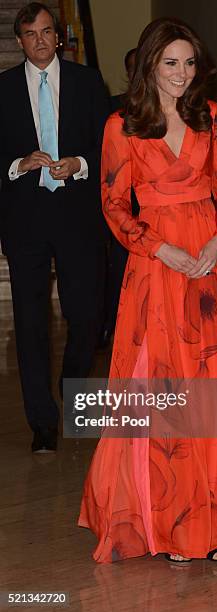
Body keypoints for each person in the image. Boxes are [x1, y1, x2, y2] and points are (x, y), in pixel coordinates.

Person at [79, 17, 217, 564]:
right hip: (155, 267)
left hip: (208, 268)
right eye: (170, 63)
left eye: (188, 63)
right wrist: (161, 249)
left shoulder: (214, 119)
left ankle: (206, 522)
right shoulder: (123, 126)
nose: (182, 74)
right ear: (150, 66)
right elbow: (113, 204)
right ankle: (170, 524)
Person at [0, 2, 110, 452]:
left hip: (78, 215)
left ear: (59, 36)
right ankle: (42, 421)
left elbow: (109, 147)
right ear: (20, 40)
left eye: (46, 31)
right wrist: (17, 165)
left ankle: (72, 387)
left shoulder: (87, 82)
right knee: (29, 323)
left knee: (86, 316)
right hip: (24, 218)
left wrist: (81, 164)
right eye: (30, 33)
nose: (40, 40)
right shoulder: (3, 88)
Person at [98, 48, 139, 350]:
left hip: (157, 204)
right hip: (123, 202)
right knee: (119, 265)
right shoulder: (113, 111)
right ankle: (112, 325)